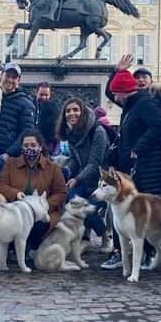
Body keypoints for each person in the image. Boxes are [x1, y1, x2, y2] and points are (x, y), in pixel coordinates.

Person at [101, 67, 161, 269]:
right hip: (132, 166)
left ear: (123, 92)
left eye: (116, 93)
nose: (114, 98)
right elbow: (109, 92)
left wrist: (138, 148)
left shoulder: (144, 103)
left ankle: (147, 253)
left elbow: (159, 126)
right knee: (122, 210)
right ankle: (121, 253)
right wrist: (116, 71)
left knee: (142, 212)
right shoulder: (131, 104)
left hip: (146, 167)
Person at [0, 130, 67, 250]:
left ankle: (31, 247)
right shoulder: (10, 163)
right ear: (21, 147)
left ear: (40, 146)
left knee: (39, 227)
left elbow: (61, 192)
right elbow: (1, 185)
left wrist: (44, 205)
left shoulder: (52, 167)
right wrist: (15, 193)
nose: (30, 148)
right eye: (26, 145)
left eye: (33, 145)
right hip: (16, 211)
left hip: (43, 214)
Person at [57, 98, 109, 240]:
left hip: (102, 181)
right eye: (68, 111)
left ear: (83, 112)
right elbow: (75, 159)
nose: (71, 113)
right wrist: (66, 170)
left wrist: (76, 178)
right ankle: (84, 237)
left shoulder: (97, 131)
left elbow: (95, 163)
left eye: (75, 110)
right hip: (84, 179)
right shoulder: (71, 132)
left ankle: (105, 237)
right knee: (71, 203)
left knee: (87, 211)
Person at [0, 63, 36, 158]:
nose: (10, 80)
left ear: (18, 80)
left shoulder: (26, 104)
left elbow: (27, 133)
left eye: (14, 77)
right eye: (7, 76)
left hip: (6, 156)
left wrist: (9, 153)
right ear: (1, 76)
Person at [35, 82, 60, 155]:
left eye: (46, 95)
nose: (43, 97)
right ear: (36, 93)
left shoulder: (54, 108)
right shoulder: (30, 106)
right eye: (41, 94)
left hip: (48, 144)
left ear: (50, 95)